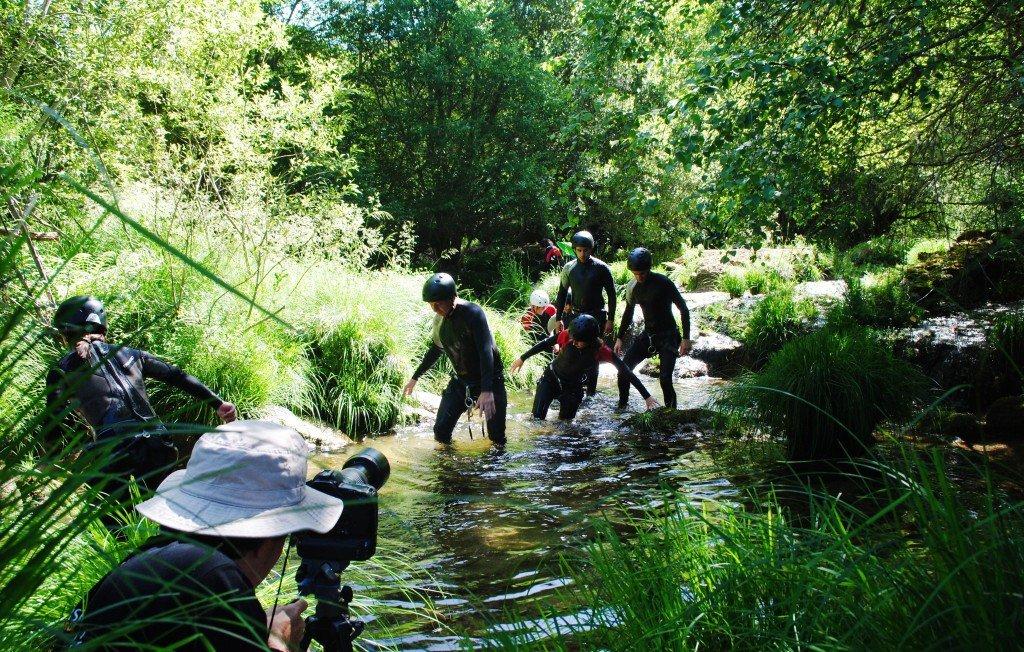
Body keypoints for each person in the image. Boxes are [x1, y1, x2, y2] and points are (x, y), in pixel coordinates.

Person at [69, 421, 338, 651]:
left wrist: (252, 629)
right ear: (271, 537)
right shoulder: (217, 578)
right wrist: (278, 641)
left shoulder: (152, 557)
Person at [45, 296, 236, 501]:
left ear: (66, 333)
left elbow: (53, 419)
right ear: (102, 327)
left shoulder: (62, 369)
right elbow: (177, 376)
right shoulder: (131, 354)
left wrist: (50, 460)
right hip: (157, 442)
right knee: (165, 510)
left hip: (114, 450)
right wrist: (218, 403)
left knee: (113, 525)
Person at [403, 273, 507, 445]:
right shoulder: (439, 321)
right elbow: (436, 350)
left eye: (438, 304)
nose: (435, 309)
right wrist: (415, 377)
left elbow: (485, 351)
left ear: (453, 297)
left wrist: (487, 391)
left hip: (490, 380)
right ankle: (450, 468)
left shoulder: (473, 313)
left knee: (497, 438)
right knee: (440, 432)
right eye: (431, 305)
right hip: (461, 383)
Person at [510, 314, 658, 421]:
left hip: (573, 389)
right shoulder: (568, 335)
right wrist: (522, 358)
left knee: (565, 426)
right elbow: (545, 343)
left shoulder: (601, 350)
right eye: (573, 339)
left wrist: (647, 396)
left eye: (579, 342)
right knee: (536, 420)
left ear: (590, 340)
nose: (574, 343)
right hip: (551, 378)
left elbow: (625, 370)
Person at [614, 248, 693, 409]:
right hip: (648, 335)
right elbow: (628, 314)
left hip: (668, 335)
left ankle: (671, 414)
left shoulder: (663, 283)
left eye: (642, 273)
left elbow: (683, 308)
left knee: (664, 379)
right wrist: (619, 337)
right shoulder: (633, 287)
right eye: (635, 274)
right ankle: (622, 406)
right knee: (623, 370)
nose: (639, 277)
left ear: (649, 269)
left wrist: (686, 338)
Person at [552, 230, 617, 397]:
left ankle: (591, 392)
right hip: (576, 315)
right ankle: (572, 386)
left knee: (593, 353)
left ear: (591, 249)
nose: (582, 254)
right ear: (574, 249)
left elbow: (611, 295)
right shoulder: (569, 268)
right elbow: (561, 294)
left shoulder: (602, 268)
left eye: (586, 250)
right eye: (579, 250)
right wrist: (558, 318)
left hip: (597, 315)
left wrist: (610, 319)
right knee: (572, 349)